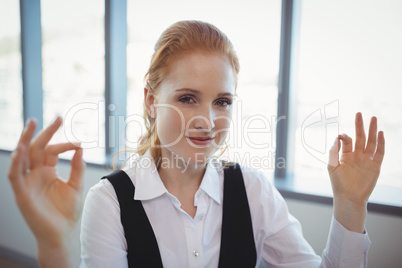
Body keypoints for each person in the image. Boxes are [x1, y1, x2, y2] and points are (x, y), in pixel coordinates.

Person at [8, 20, 385, 268]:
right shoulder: (109, 203)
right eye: (188, 98)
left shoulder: (253, 190)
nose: (208, 119)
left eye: (222, 101)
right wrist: (53, 247)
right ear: (151, 101)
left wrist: (351, 207)